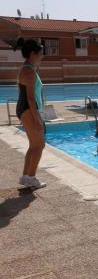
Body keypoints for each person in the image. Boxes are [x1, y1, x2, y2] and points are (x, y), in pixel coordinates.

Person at [14, 38, 47, 188]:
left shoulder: (26, 68)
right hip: (28, 109)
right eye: (41, 53)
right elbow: (30, 98)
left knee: (33, 145)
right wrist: (37, 119)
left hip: (25, 109)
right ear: (33, 53)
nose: (42, 56)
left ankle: (25, 177)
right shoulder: (28, 71)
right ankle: (31, 178)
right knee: (39, 145)